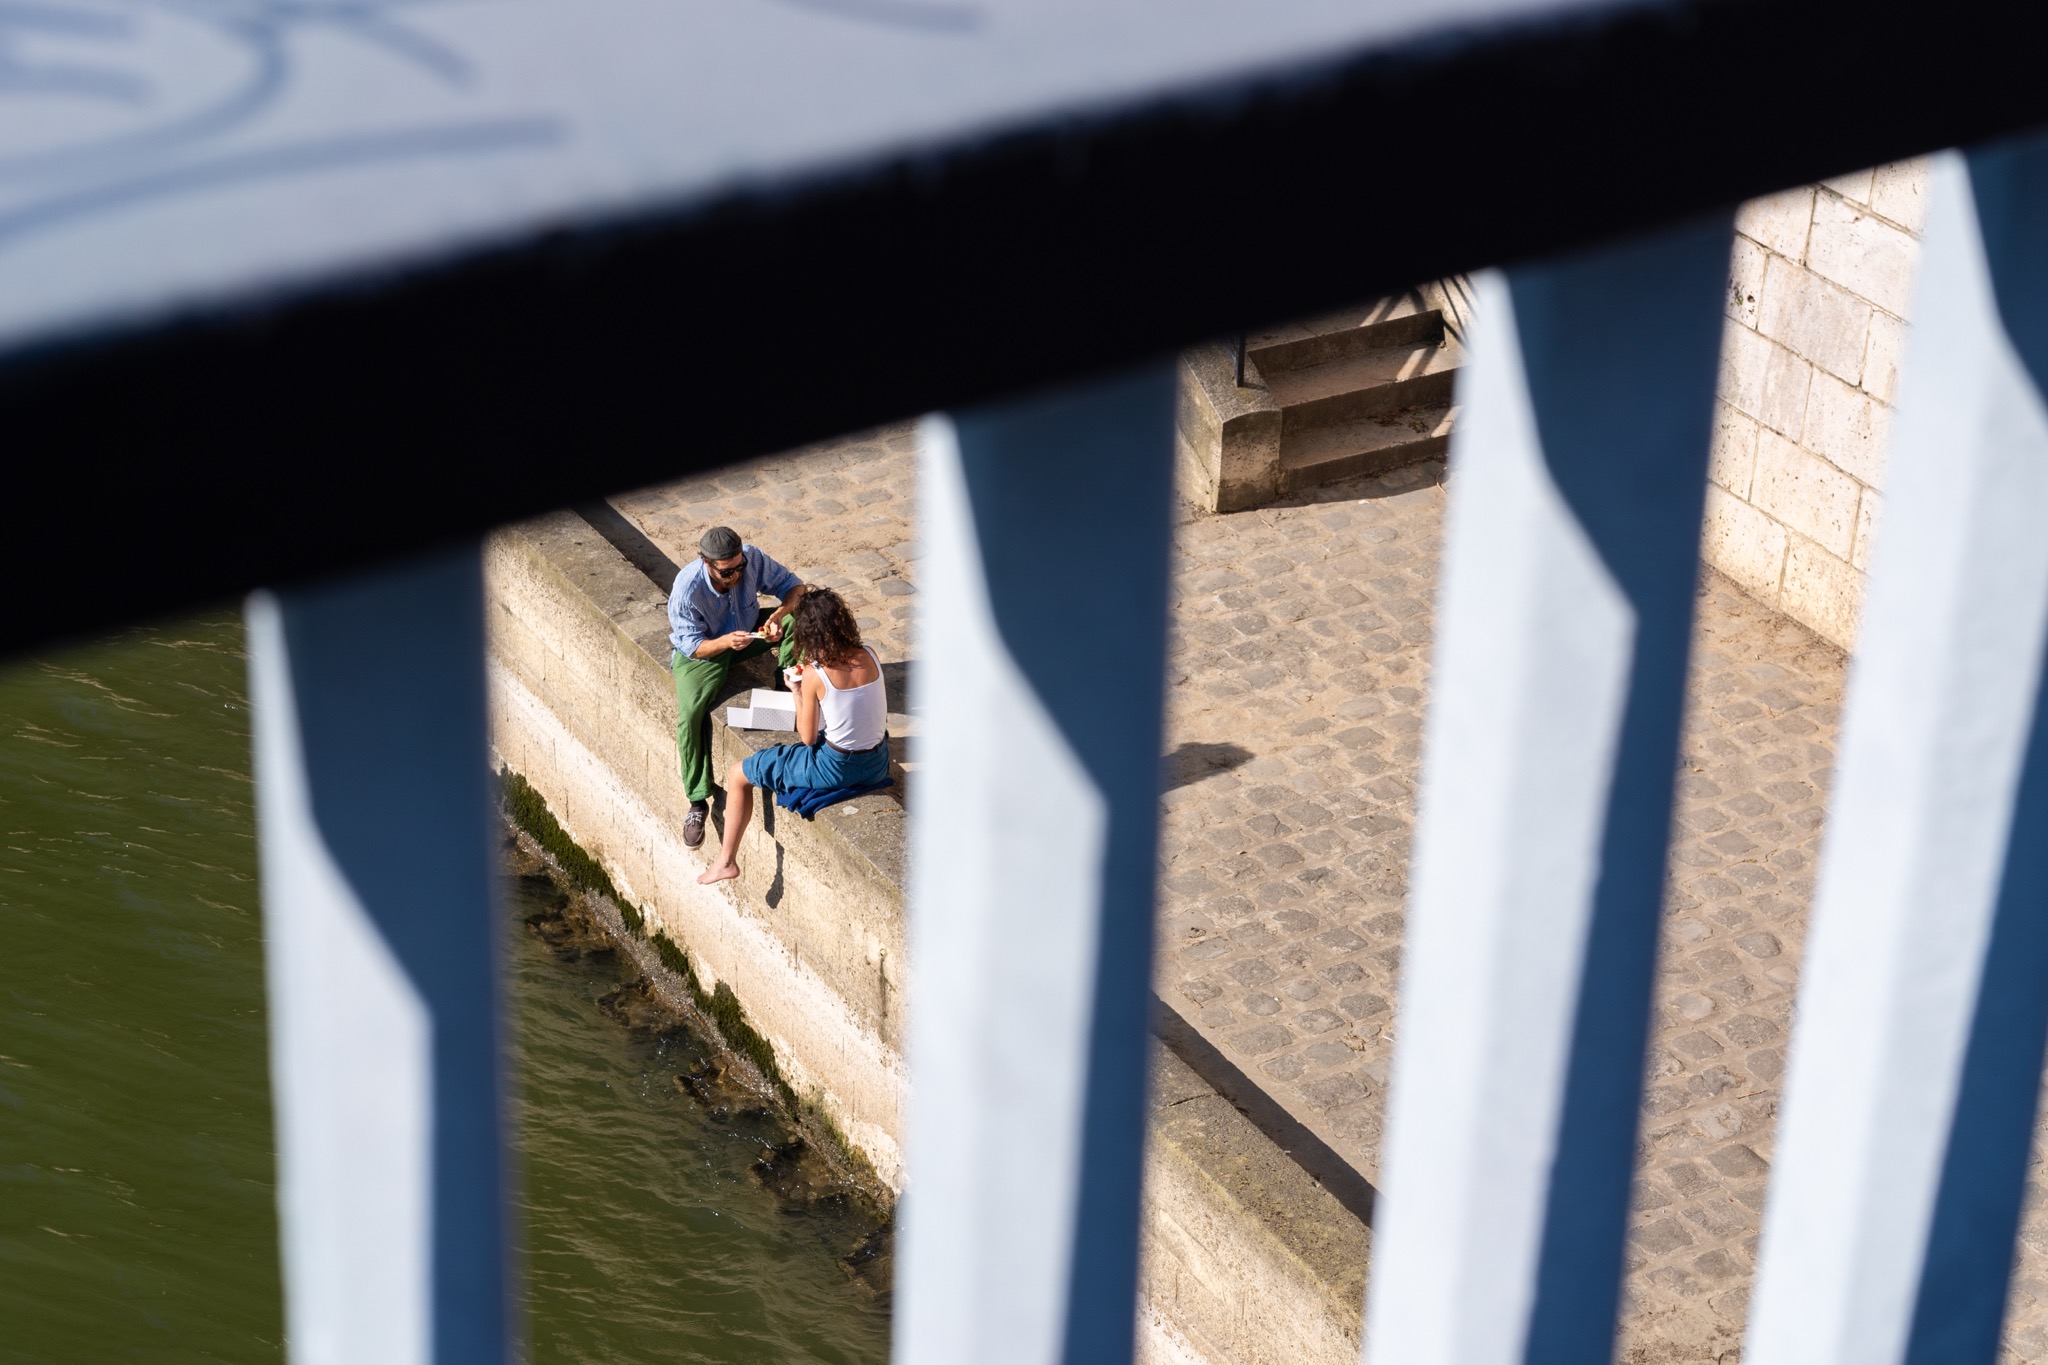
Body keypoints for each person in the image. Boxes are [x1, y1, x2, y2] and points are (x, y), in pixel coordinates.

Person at [697, 588, 888, 885]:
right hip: (877, 762)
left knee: (738, 774)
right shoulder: (870, 655)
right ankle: (725, 862)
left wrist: (797, 691)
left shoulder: (815, 675)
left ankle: (726, 862)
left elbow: (808, 738)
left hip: (837, 767)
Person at [668, 526, 808, 847]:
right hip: (705, 652)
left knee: (802, 616)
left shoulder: (752, 558)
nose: (736, 574)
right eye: (727, 571)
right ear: (706, 563)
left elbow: (795, 588)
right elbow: (692, 646)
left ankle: (788, 694)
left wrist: (778, 617)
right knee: (691, 714)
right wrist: (724, 642)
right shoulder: (686, 589)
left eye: (739, 566)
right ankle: (697, 799)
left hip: (748, 635)